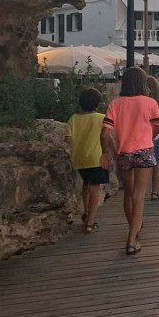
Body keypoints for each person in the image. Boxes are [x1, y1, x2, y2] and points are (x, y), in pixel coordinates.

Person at [102, 66, 159, 255]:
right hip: (144, 150)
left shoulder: (115, 104)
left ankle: (133, 229)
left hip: (124, 152)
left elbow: (105, 134)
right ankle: (132, 239)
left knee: (128, 192)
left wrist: (110, 152)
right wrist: (145, 138)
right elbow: (156, 128)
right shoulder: (150, 103)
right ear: (142, 83)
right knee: (139, 194)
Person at [66, 87, 109, 233]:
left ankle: (85, 212)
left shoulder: (73, 119)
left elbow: (68, 139)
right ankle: (90, 222)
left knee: (86, 185)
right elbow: (106, 136)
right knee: (95, 190)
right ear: (97, 103)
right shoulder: (101, 118)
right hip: (97, 158)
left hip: (79, 158)